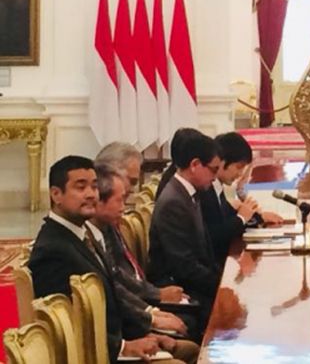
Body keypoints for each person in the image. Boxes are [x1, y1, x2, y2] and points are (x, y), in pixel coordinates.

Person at [27, 156, 174, 363]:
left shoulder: (82, 234)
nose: (90, 194)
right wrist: (124, 346)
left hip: (116, 339)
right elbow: (70, 327)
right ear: (56, 194)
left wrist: (145, 332)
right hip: (98, 355)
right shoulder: (52, 250)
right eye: (80, 187)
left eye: (94, 187)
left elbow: (111, 300)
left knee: (188, 347)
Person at [87, 163, 199, 361]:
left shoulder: (107, 228)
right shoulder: (83, 242)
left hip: (131, 318)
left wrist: (150, 318)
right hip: (118, 337)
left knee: (192, 338)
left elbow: (123, 281)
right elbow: (115, 291)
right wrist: (149, 320)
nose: (124, 207)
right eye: (120, 199)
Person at [148, 130, 221, 332]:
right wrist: (221, 285)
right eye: (213, 170)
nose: (215, 178)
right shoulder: (174, 201)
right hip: (178, 286)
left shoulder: (188, 193)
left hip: (192, 281)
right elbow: (184, 266)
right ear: (195, 165)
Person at [198, 132, 283, 265]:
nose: (240, 174)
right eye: (238, 167)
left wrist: (258, 217)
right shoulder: (205, 189)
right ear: (221, 162)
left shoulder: (217, 186)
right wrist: (242, 217)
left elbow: (230, 216)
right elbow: (214, 235)